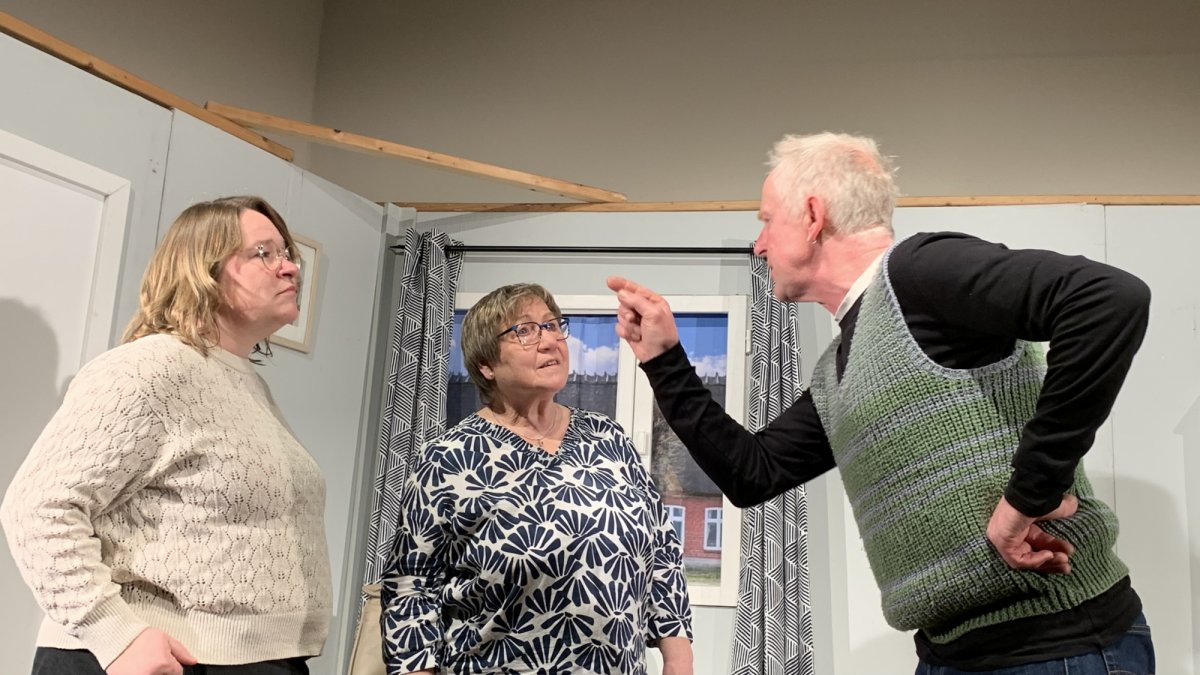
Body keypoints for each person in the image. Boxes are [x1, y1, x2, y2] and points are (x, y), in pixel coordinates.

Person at [607, 132, 1155, 674]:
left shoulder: (918, 271)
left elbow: (1108, 299)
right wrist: (663, 360)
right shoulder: (837, 370)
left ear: (813, 216)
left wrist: (1029, 496)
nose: (760, 245)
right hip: (949, 654)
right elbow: (753, 472)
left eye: (767, 221)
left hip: (1057, 646)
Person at [1, 196, 331, 675]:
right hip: (161, 660)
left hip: (248, 659)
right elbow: (38, 507)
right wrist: (114, 633)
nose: (289, 268)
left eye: (287, 254)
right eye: (264, 253)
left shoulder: (245, 385)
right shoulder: (150, 367)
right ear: (202, 269)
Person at [380, 283, 693, 675]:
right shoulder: (447, 458)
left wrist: (678, 660)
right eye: (524, 331)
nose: (548, 341)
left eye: (552, 325)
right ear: (486, 365)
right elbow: (411, 587)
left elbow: (661, 551)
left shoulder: (608, 438)